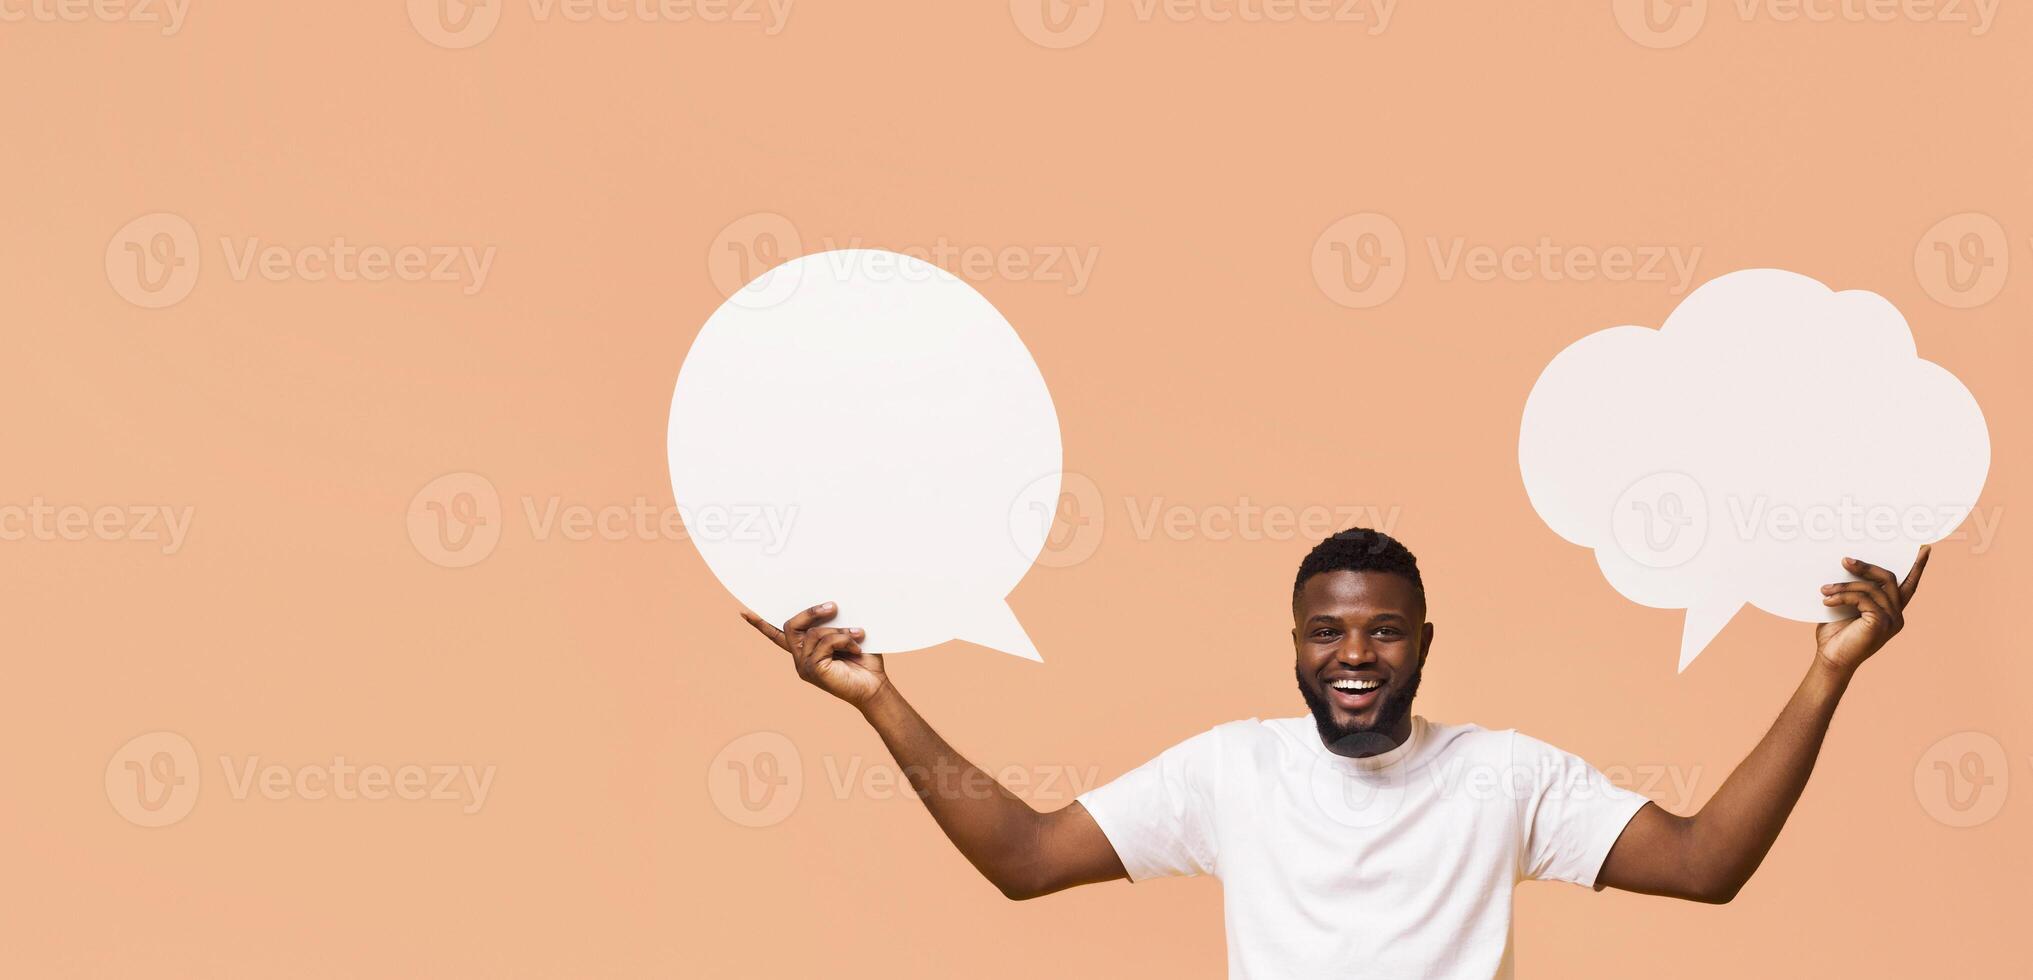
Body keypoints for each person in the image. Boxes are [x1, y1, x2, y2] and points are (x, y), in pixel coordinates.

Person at [741, 528, 1930, 980]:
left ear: (1422, 643)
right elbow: (1025, 855)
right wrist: (878, 702)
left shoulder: (1502, 773)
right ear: (1295, 646)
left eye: (1380, 629)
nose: (1353, 652)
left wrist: (1825, 671)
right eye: (1327, 629)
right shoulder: (1229, 770)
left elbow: (1705, 861)